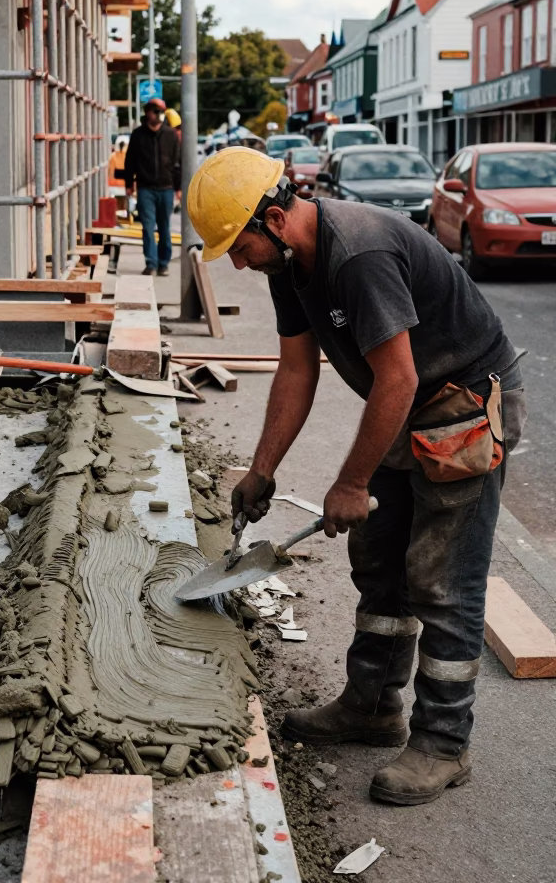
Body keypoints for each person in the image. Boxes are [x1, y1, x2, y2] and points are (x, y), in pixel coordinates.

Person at [187, 146, 526, 806]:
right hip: (406, 402)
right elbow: (296, 369)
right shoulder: (290, 266)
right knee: (378, 556)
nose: (236, 261)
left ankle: (443, 744)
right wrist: (262, 471)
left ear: (276, 218)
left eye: (240, 244)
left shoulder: (359, 255)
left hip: (459, 402)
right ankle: (372, 708)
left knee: (442, 578)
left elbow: (395, 378)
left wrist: (349, 483)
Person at [124, 97, 181, 276]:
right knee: (148, 227)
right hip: (145, 188)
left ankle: (163, 263)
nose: (156, 115)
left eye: (160, 112)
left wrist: (178, 188)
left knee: (164, 227)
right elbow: (130, 161)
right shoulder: (138, 135)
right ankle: (151, 263)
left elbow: (177, 163)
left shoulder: (171, 135)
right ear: (147, 113)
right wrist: (129, 184)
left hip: (166, 188)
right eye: (153, 111)